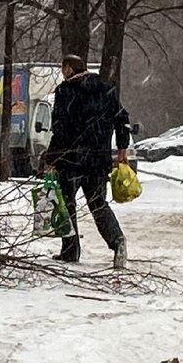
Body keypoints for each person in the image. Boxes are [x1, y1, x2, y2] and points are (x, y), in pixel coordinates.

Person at [44, 54, 131, 265]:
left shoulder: (65, 92)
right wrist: (122, 149)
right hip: (97, 160)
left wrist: (51, 158)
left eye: (63, 68)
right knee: (98, 204)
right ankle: (117, 240)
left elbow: (60, 128)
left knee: (66, 204)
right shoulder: (106, 89)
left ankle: (70, 249)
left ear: (68, 69)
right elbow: (122, 119)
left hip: (71, 159)